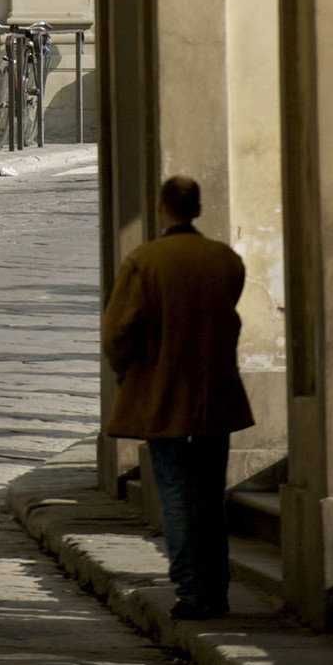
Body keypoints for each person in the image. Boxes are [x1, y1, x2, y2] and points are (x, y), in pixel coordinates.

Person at [102, 173, 253, 618]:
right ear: (199, 210)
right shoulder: (224, 259)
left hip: (163, 393)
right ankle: (217, 591)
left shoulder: (144, 261)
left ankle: (191, 592)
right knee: (210, 496)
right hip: (216, 394)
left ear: (161, 209)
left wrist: (128, 370)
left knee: (175, 496)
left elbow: (117, 332)